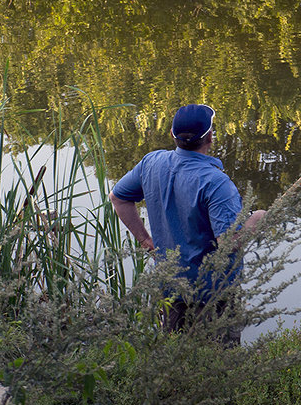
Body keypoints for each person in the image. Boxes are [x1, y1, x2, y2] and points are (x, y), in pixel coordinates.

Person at [109, 104, 264, 345]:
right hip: (214, 293)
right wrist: (258, 218)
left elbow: (118, 198)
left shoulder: (151, 163)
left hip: (170, 285)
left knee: (176, 355)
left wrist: (145, 241)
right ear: (210, 137)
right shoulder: (216, 183)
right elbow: (228, 243)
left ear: (172, 134)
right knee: (221, 362)